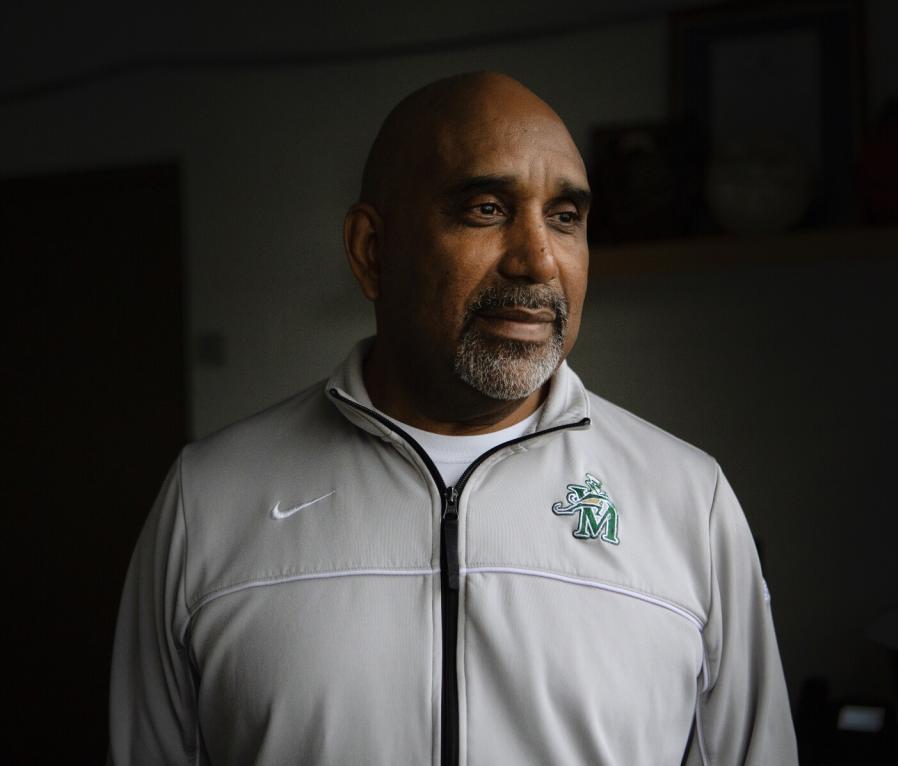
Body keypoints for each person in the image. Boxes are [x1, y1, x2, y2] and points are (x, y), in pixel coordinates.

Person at [109, 72, 798, 765]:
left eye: (565, 217)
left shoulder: (689, 501)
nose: (537, 261)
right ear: (372, 251)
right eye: (487, 209)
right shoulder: (209, 500)